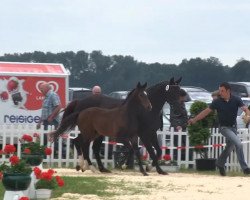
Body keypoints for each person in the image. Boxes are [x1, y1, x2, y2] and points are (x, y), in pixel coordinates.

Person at [188, 82, 250, 176]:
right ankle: (245, 168)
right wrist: (194, 119)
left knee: (229, 148)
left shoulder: (236, 99)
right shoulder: (217, 102)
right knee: (238, 144)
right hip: (224, 128)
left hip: (233, 127)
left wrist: (248, 114)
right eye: (220, 90)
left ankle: (220, 164)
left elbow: (245, 109)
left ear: (228, 91)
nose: (220, 93)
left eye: (222, 91)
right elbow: (206, 112)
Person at [36, 83, 64, 157]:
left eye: (42, 88)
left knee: (53, 139)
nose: (40, 90)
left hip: (52, 121)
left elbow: (59, 106)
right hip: (46, 122)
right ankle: (45, 156)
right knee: (45, 139)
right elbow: (44, 112)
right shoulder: (46, 97)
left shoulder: (53, 95)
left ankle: (62, 154)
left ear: (47, 88)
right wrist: (40, 122)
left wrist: (51, 117)